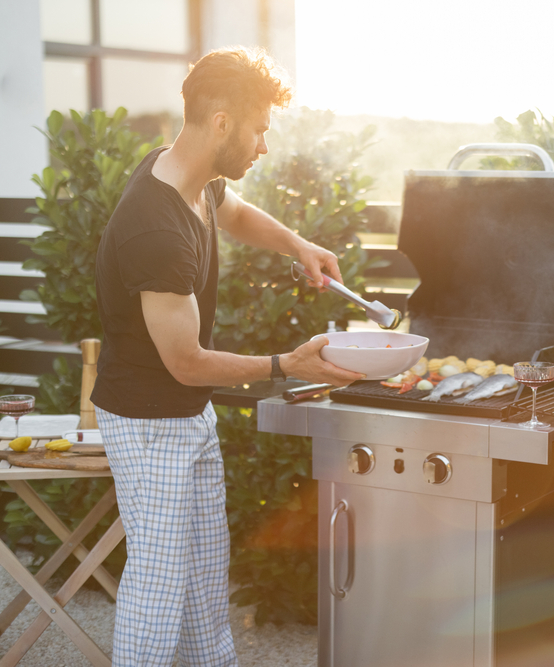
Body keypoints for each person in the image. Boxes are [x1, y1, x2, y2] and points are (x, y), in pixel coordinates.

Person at [90, 47, 364, 666]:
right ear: (221, 122)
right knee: (159, 591)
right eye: (260, 128)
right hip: (148, 423)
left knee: (206, 587)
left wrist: (297, 244)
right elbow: (185, 361)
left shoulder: (187, 174)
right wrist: (285, 365)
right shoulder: (154, 230)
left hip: (188, 415)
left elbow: (233, 211)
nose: (264, 145)